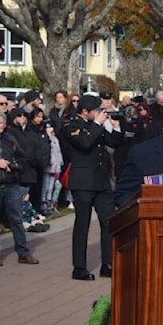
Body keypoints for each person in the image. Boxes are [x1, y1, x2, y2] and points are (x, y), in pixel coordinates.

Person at [60, 94, 122, 280]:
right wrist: (96, 124)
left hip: (101, 181)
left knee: (109, 220)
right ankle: (79, 267)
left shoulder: (96, 124)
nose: (99, 114)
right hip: (83, 181)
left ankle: (108, 263)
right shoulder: (69, 125)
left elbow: (114, 143)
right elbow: (85, 143)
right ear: (85, 111)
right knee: (82, 223)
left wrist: (116, 127)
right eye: (96, 111)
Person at [0, 110, 39, 266]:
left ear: (5, 124)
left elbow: (21, 158)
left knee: (16, 219)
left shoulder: (10, 138)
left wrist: (13, 166)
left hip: (11, 184)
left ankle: (23, 252)